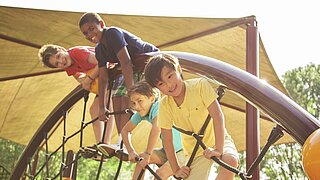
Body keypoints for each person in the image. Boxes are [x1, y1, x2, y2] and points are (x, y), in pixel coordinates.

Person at [144, 53, 239, 180]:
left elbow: (217, 116)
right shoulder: (165, 105)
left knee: (230, 161)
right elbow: (167, 141)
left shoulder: (200, 86)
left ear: (178, 69)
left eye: (170, 76)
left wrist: (218, 148)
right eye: (161, 84)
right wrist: (176, 169)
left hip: (218, 139)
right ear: (157, 88)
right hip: (194, 151)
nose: (169, 85)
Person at [78, 13, 159, 136]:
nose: (89, 34)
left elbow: (125, 62)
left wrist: (131, 91)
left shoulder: (112, 33)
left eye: (91, 29)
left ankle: (124, 138)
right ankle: (123, 139)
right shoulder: (99, 49)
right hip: (133, 66)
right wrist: (101, 107)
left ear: (101, 24)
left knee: (129, 97)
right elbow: (103, 78)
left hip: (147, 60)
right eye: (85, 33)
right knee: (117, 96)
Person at [38, 44, 115, 146]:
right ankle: (100, 144)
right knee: (94, 110)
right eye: (57, 64)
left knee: (107, 103)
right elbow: (79, 78)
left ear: (62, 49)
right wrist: (84, 80)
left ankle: (106, 142)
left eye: (58, 56)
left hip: (114, 71)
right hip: (103, 81)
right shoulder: (68, 67)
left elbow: (102, 61)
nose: (61, 62)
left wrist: (89, 79)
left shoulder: (77, 53)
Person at [121, 80, 185, 179]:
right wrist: (131, 151)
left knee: (159, 174)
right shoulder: (142, 112)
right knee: (141, 161)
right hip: (168, 151)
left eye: (140, 101)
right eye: (133, 103)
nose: (136, 107)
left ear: (152, 99)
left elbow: (156, 129)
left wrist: (148, 153)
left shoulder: (159, 107)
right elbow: (125, 131)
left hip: (183, 151)